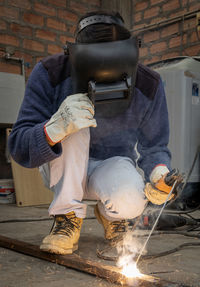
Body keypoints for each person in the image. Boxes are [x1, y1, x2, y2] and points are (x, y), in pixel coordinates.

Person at [8, 11, 177, 255]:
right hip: (60, 167)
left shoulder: (148, 83)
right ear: (76, 56)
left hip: (110, 165)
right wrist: (56, 126)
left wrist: (160, 174)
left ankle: (112, 215)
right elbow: (19, 147)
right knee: (76, 121)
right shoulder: (50, 72)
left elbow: (155, 146)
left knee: (131, 200)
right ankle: (66, 214)